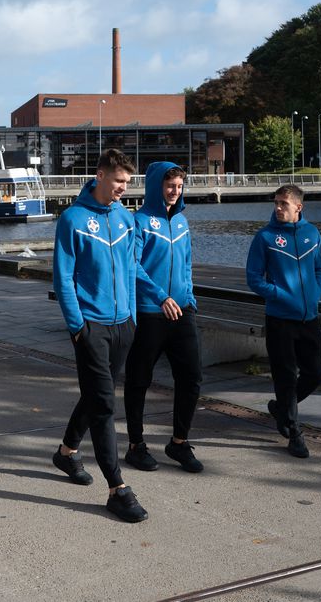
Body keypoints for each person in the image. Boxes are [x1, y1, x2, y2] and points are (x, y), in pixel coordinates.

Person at [51, 149, 147, 524]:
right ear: (100, 175)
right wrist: (78, 328)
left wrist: (133, 318)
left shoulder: (125, 218)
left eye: (127, 182)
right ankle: (117, 489)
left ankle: (66, 452)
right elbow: (63, 277)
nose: (124, 188)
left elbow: (130, 269)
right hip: (91, 325)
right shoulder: (72, 219)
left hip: (124, 325)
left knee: (96, 394)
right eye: (119, 180)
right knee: (105, 403)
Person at [124, 163, 204, 474]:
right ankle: (136, 445)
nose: (175, 191)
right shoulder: (140, 221)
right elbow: (134, 267)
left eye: (180, 186)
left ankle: (179, 442)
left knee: (192, 377)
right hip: (150, 313)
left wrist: (189, 298)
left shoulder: (182, 222)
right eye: (170, 185)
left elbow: (186, 263)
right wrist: (161, 297)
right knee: (139, 380)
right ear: (157, 185)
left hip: (182, 311)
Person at [246, 183, 321, 460]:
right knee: (285, 377)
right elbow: (254, 279)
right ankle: (294, 432)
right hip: (280, 318)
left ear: (298, 207)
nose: (278, 208)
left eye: (284, 203)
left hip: (309, 318)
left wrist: (314, 293)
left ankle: (282, 409)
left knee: (316, 374)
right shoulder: (265, 237)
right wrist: (280, 295)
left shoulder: (312, 234)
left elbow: (320, 268)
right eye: (276, 203)